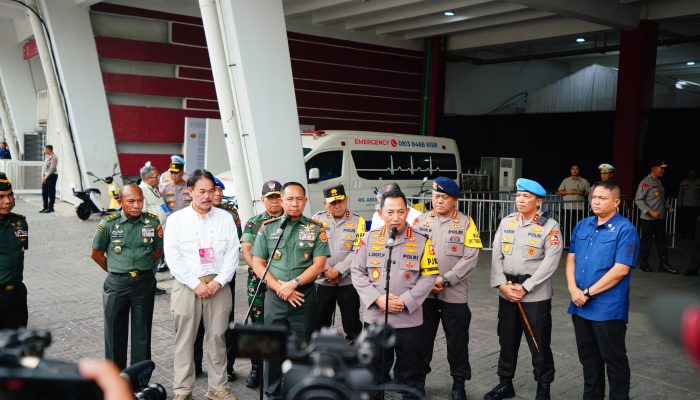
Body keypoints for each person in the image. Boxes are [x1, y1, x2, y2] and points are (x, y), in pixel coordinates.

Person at [352, 188, 438, 399]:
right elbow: (357, 271)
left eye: (400, 212)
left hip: (409, 321)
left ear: (408, 212)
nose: (395, 218)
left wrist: (406, 300)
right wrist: (377, 298)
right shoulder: (369, 239)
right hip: (375, 319)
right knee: (372, 375)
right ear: (380, 214)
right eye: (390, 212)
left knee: (411, 376)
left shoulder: (422, 240)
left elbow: (429, 276)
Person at [164, 169, 239, 400]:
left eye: (212, 191)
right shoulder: (176, 219)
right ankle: (183, 390)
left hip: (219, 286)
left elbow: (232, 254)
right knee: (185, 339)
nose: (207, 196)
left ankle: (218, 388)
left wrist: (217, 282)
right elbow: (172, 256)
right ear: (190, 192)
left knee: (218, 338)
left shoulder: (225, 218)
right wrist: (195, 284)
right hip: (187, 287)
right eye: (202, 191)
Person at [251, 182, 330, 400]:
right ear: (282, 201)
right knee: (272, 348)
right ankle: (272, 393)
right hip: (275, 297)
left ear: (305, 201)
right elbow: (258, 264)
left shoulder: (315, 228)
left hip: (303, 296)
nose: (295, 204)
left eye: (299, 199)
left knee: (303, 349)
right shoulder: (268, 227)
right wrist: (280, 287)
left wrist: (293, 284)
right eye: (290, 199)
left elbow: (319, 265)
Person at [485, 178, 563, 400]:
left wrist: (526, 287)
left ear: (538, 201)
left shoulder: (550, 226)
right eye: (518, 195)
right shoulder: (507, 222)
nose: (520, 200)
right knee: (506, 340)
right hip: (507, 291)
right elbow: (495, 255)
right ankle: (505, 383)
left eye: (526, 196)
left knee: (539, 343)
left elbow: (551, 262)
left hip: (535, 295)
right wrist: (501, 285)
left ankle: (543, 387)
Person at [566, 181, 640, 400]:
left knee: (614, 361)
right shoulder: (582, 225)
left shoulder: (626, 229)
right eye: (594, 197)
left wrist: (587, 292)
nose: (595, 202)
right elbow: (571, 259)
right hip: (579, 304)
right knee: (588, 360)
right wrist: (572, 289)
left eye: (602, 198)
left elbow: (620, 270)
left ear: (616, 202)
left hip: (607, 308)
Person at [412, 177, 482, 400]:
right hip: (425, 295)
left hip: (454, 293)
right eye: (435, 196)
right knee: (422, 340)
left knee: (457, 342)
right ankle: (418, 382)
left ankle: (459, 383)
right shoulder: (421, 220)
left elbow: (470, 258)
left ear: (455, 200)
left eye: (444, 197)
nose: (439, 201)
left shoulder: (466, 223)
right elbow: (412, 253)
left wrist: (446, 280)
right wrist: (425, 281)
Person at [90, 184, 163, 371]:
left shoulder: (152, 223)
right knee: (115, 333)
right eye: (131, 201)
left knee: (142, 333)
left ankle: (139, 382)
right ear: (121, 202)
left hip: (144, 283)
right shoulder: (108, 224)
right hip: (117, 284)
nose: (137, 205)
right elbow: (96, 254)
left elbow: (157, 252)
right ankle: (116, 380)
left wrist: (141, 268)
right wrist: (116, 269)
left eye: (140, 200)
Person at [193, 177, 242, 381]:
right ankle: (195, 365)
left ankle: (227, 367)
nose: (215, 195)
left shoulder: (229, 214)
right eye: (212, 191)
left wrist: (221, 278)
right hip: (199, 278)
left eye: (218, 191)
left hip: (224, 276)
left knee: (224, 326)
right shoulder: (193, 216)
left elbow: (235, 243)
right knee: (197, 326)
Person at [239, 179, 284, 388]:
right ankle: (257, 368)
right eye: (270, 198)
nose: (274, 202)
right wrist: (265, 273)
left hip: (284, 284)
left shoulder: (290, 220)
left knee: (282, 326)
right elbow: (247, 250)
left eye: (277, 197)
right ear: (262, 199)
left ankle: (281, 370)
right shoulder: (254, 222)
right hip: (258, 284)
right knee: (258, 326)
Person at [312, 184, 365, 342]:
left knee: (352, 325)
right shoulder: (316, 220)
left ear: (346, 200)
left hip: (348, 283)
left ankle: (353, 357)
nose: (337, 206)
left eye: (340, 201)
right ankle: (322, 356)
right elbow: (312, 247)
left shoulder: (358, 221)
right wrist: (327, 270)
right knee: (320, 324)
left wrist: (339, 271)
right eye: (332, 203)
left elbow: (358, 250)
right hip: (322, 281)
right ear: (325, 204)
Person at [634, 161, 678, 274]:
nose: (663, 170)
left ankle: (664, 265)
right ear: (653, 169)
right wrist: (650, 211)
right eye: (661, 168)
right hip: (648, 219)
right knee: (646, 242)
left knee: (662, 242)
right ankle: (644, 264)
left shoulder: (658, 182)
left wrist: (668, 207)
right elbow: (638, 200)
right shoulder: (645, 182)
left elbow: (661, 198)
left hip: (660, 218)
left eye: (664, 169)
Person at [0, 172, 29, 329]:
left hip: (16, 295)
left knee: (17, 346)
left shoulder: (20, 223)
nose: (7, 201)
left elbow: (20, 253)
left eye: (10, 195)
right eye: (1, 196)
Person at [138, 162, 168, 296]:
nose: (158, 178)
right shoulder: (142, 191)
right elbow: (141, 215)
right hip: (151, 234)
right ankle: (146, 287)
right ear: (146, 178)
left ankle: (151, 285)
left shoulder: (154, 189)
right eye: (155, 176)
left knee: (155, 260)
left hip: (160, 231)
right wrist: (148, 237)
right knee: (150, 262)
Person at [158, 160, 191, 274]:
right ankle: (174, 269)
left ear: (182, 172)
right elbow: (163, 206)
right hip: (172, 224)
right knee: (173, 247)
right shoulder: (166, 189)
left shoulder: (190, 187)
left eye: (176, 173)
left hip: (188, 223)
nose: (173, 175)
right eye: (171, 173)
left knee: (187, 246)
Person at [557, 165, 590, 244]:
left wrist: (581, 193)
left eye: (576, 169)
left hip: (580, 208)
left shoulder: (584, 181)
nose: (575, 171)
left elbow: (589, 193)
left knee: (579, 226)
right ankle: (566, 243)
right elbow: (559, 192)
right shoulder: (566, 180)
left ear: (579, 170)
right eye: (573, 169)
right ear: (570, 171)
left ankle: (578, 243)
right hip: (567, 208)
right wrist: (569, 192)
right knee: (566, 226)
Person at [678, 169, 700, 239]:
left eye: (693, 173)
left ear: (695, 174)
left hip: (696, 205)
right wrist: (679, 204)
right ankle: (684, 234)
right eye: (690, 173)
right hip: (685, 205)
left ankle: (694, 235)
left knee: (694, 221)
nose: (691, 174)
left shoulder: (699, 182)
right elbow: (680, 193)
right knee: (684, 220)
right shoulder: (683, 182)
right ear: (688, 174)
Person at [40, 145, 58, 213]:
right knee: (44, 192)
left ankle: (51, 208)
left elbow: (52, 169)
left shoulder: (54, 157)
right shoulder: (47, 157)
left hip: (52, 176)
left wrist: (46, 177)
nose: (44, 150)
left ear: (48, 149)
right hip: (45, 177)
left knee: (51, 192)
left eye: (44, 149)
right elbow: (44, 167)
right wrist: (42, 176)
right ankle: (45, 207)